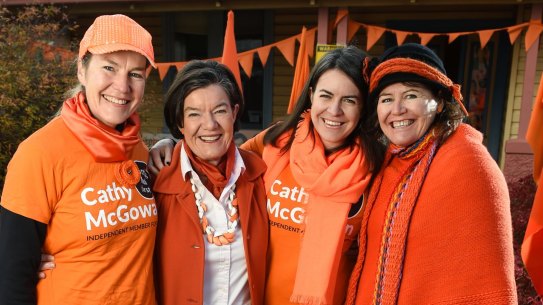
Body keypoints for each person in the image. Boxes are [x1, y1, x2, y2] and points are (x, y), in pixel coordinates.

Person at [149, 46, 384, 305]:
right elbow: (214, 147)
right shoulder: (275, 145)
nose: (334, 110)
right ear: (311, 96)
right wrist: (169, 143)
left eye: (349, 100)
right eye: (326, 96)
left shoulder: (375, 169)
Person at [0, 14, 158, 305]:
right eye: (109, 68)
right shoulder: (39, 153)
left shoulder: (139, 150)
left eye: (135, 74)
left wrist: (169, 144)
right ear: (82, 72)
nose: (122, 87)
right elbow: (11, 275)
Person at [344, 43, 517, 305]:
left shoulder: (469, 164)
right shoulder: (385, 164)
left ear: (438, 104)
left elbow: (485, 281)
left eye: (411, 95)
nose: (397, 109)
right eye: (386, 99)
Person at [153, 60, 268, 305]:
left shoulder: (261, 175)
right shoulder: (156, 182)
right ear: (180, 123)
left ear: (234, 113)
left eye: (220, 110)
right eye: (194, 113)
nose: (210, 125)